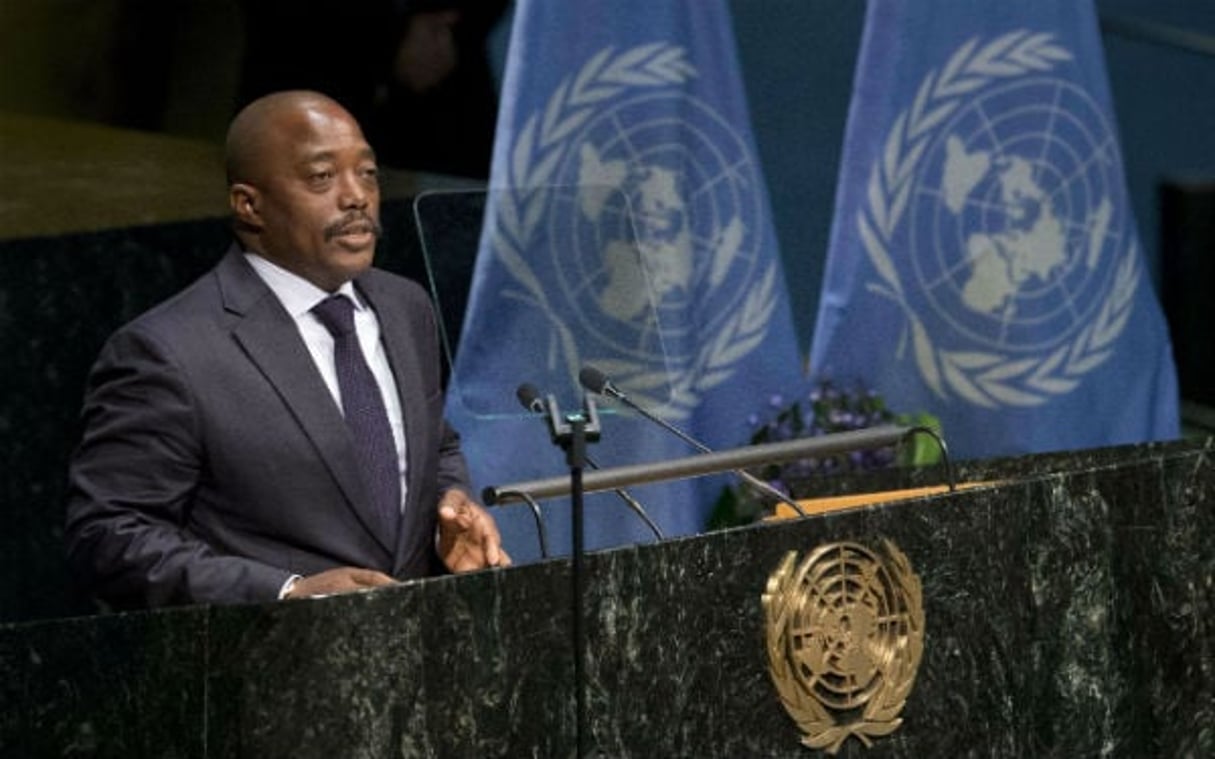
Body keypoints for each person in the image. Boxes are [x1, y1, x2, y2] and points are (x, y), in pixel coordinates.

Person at [65, 90, 508, 608]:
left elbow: (435, 446)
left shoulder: (405, 307)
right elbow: (111, 535)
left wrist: (448, 513)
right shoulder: (168, 351)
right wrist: (288, 592)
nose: (356, 197)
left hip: (416, 658)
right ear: (249, 204)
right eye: (322, 177)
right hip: (265, 667)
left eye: (367, 173)